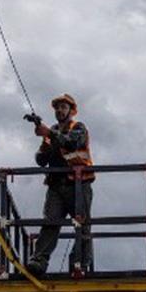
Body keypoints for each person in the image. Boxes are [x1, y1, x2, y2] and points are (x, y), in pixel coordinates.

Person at [23, 93, 94, 277]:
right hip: (56, 186)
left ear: (71, 110)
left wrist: (49, 133)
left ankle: (80, 263)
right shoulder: (52, 130)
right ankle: (38, 261)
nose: (60, 110)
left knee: (82, 225)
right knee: (50, 223)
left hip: (78, 185)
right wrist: (43, 135)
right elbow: (40, 160)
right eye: (57, 108)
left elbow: (72, 142)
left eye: (64, 107)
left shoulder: (78, 127)